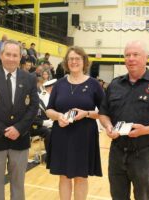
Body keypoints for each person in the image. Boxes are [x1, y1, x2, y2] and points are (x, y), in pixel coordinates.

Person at [99, 40, 149, 200]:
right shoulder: (115, 85)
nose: (131, 58)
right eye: (127, 55)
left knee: (142, 196)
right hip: (117, 151)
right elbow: (103, 113)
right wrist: (108, 126)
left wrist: (146, 130)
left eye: (136, 54)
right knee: (117, 195)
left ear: (146, 58)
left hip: (143, 154)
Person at [0, 40, 39, 200]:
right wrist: (3, 130)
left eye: (15, 55)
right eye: (8, 54)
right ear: (1, 55)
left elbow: (33, 108)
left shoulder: (29, 78)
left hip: (20, 139)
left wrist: (18, 128)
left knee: (18, 185)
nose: (11, 58)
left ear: (20, 57)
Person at [46, 46, 104, 200]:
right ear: (66, 62)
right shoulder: (59, 84)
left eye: (77, 59)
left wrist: (86, 113)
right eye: (70, 59)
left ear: (84, 61)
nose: (74, 62)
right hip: (62, 134)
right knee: (64, 176)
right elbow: (49, 110)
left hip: (84, 136)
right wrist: (58, 116)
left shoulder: (94, 84)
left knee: (81, 177)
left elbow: (105, 112)